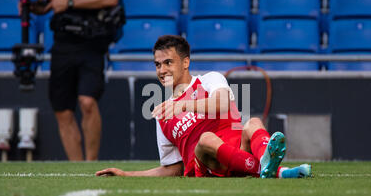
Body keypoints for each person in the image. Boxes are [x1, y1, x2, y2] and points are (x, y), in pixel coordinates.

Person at [96, 35, 312, 178]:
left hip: (238, 151)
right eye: (157, 64)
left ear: (185, 62)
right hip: (207, 163)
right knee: (206, 139)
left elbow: (223, 102)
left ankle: (267, 165)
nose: (161, 70)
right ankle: (277, 171)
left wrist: (183, 106)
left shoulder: (209, 79)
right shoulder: (162, 114)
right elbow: (173, 167)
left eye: (168, 63)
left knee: (253, 123)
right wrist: (127, 174)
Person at [24, 0, 122, 161]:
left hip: (92, 42)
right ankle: (76, 166)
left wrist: (69, 2)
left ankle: (90, 162)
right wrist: (31, 6)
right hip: (62, 43)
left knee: (87, 101)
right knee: (62, 110)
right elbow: (48, 1)